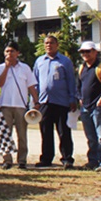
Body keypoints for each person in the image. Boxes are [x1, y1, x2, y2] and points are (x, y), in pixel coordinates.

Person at [0, 40, 39, 170]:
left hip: (20, 106)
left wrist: (36, 101)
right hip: (4, 105)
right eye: (7, 51)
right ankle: (7, 160)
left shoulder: (25, 68)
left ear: (18, 53)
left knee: (22, 134)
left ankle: (22, 160)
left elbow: (31, 86)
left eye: (12, 51)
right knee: (5, 134)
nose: (9, 53)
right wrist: (6, 67)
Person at [33, 35, 79, 169]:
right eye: (46, 43)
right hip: (44, 102)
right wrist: (34, 101)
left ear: (57, 45)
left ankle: (67, 158)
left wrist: (72, 98)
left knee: (63, 132)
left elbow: (71, 81)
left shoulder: (65, 61)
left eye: (51, 43)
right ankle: (46, 159)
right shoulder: (39, 61)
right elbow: (35, 82)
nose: (49, 45)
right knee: (45, 132)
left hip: (62, 102)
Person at [77, 41, 101, 171]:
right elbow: (78, 85)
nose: (85, 54)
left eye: (88, 51)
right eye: (83, 52)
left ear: (95, 52)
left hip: (99, 107)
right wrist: (79, 98)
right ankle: (92, 160)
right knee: (90, 136)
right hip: (85, 107)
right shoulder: (82, 68)